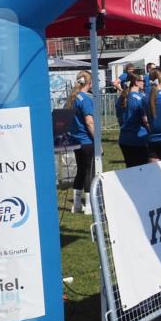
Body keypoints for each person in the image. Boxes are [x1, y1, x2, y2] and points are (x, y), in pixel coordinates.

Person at [66, 70, 95, 214]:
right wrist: (98, 140)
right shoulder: (85, 99)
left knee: (81, 171)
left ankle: (77, 204)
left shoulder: (73, 97)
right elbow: (89, 122)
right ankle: (89, 205)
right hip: (86, 140)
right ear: (89, 83)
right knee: (89, 171)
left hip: (76, 140)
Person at [116, 72, 150, 167]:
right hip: (139, 139)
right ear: (136, 82)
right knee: (142, 171)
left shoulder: (120, 98)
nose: (144, 83)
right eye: (143, 81)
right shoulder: (140, 98)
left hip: (124, 139)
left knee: (130, 169)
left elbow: (119, 119)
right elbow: (146, 120)